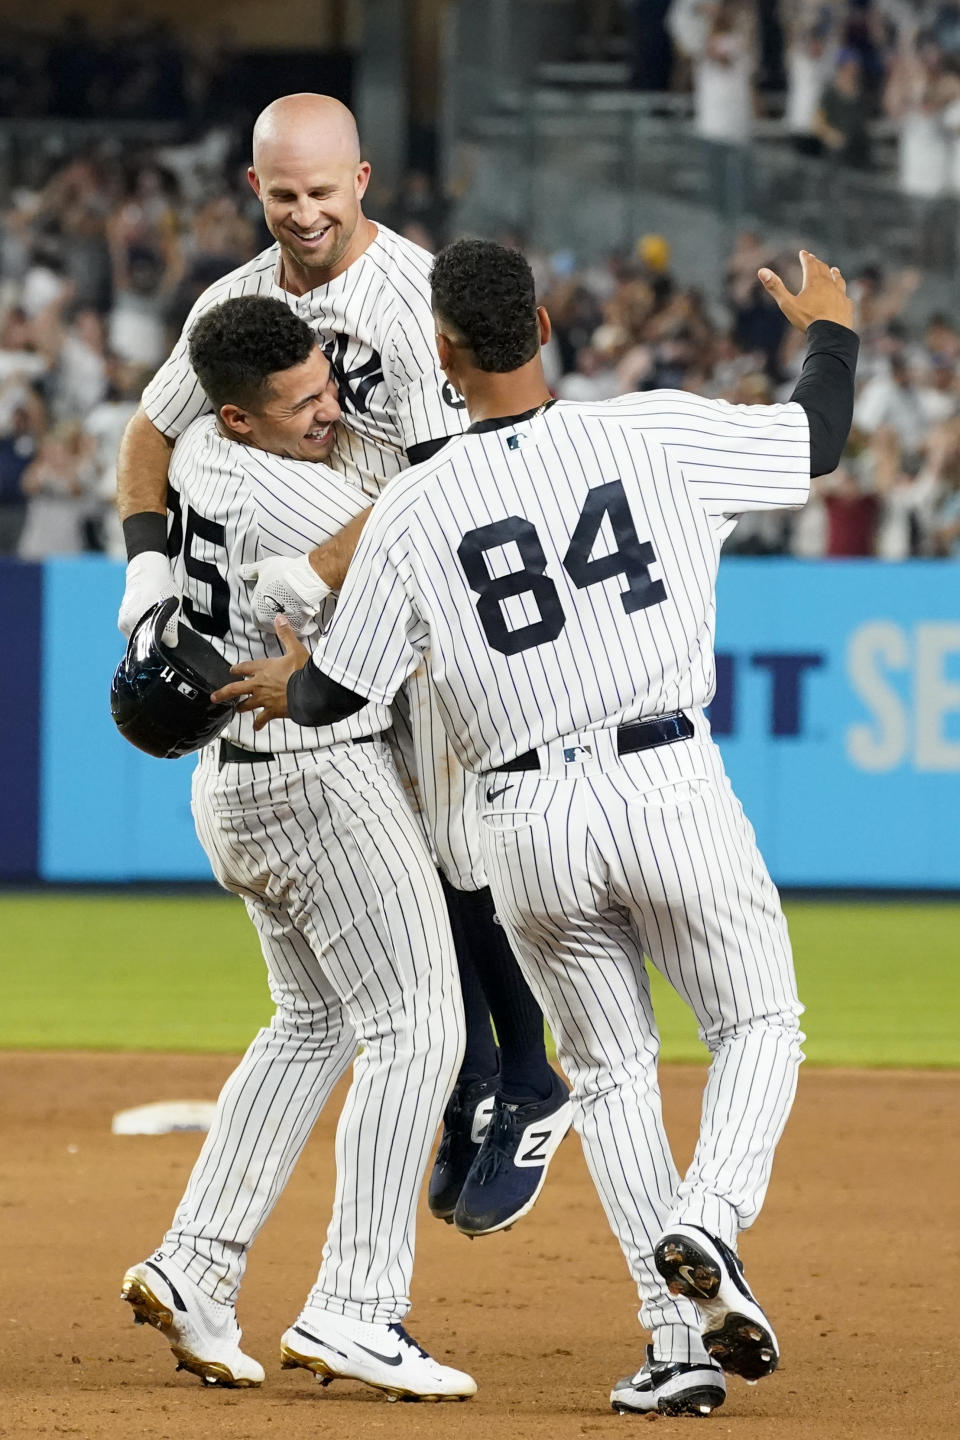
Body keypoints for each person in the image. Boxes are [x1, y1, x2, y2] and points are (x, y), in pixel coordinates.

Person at [215, 239, 858, 1416]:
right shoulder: (648, 430)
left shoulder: (411, 504)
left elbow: (339, 696)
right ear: (548, 327)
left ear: (445, 356)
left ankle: (677, 1348)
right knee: (761, 1018)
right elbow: (817, 437)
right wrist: (833, 332)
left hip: (524, 820)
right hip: (663, 778)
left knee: (611, 1072)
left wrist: (285, 681)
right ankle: (705, 1223)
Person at [114, 92, 571, 1241]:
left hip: (428, 599)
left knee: (463, 852)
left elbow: (437, 485)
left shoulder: (413, 300)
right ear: (254, 192)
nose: (305, 211)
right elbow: (148, 433)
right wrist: (143, 580)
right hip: (333, 619)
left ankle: (526, 1074)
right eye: (284, 193)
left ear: (362, 180)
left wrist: (317, 565)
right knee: (412, 858)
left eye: (324, 189)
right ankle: (478, 1076)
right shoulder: (236, 304)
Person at [120, 295, 474, 1402]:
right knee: (421, 1024)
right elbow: (429, 504)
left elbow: (153, 436)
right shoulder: (292, 491)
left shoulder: (201, 471)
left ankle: (196, 1264)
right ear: (235, 417)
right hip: (319, 777)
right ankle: (358, 1308)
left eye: (328, 385)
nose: (329, 411)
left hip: (233, 783)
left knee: (311, 1023)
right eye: (302, 402)